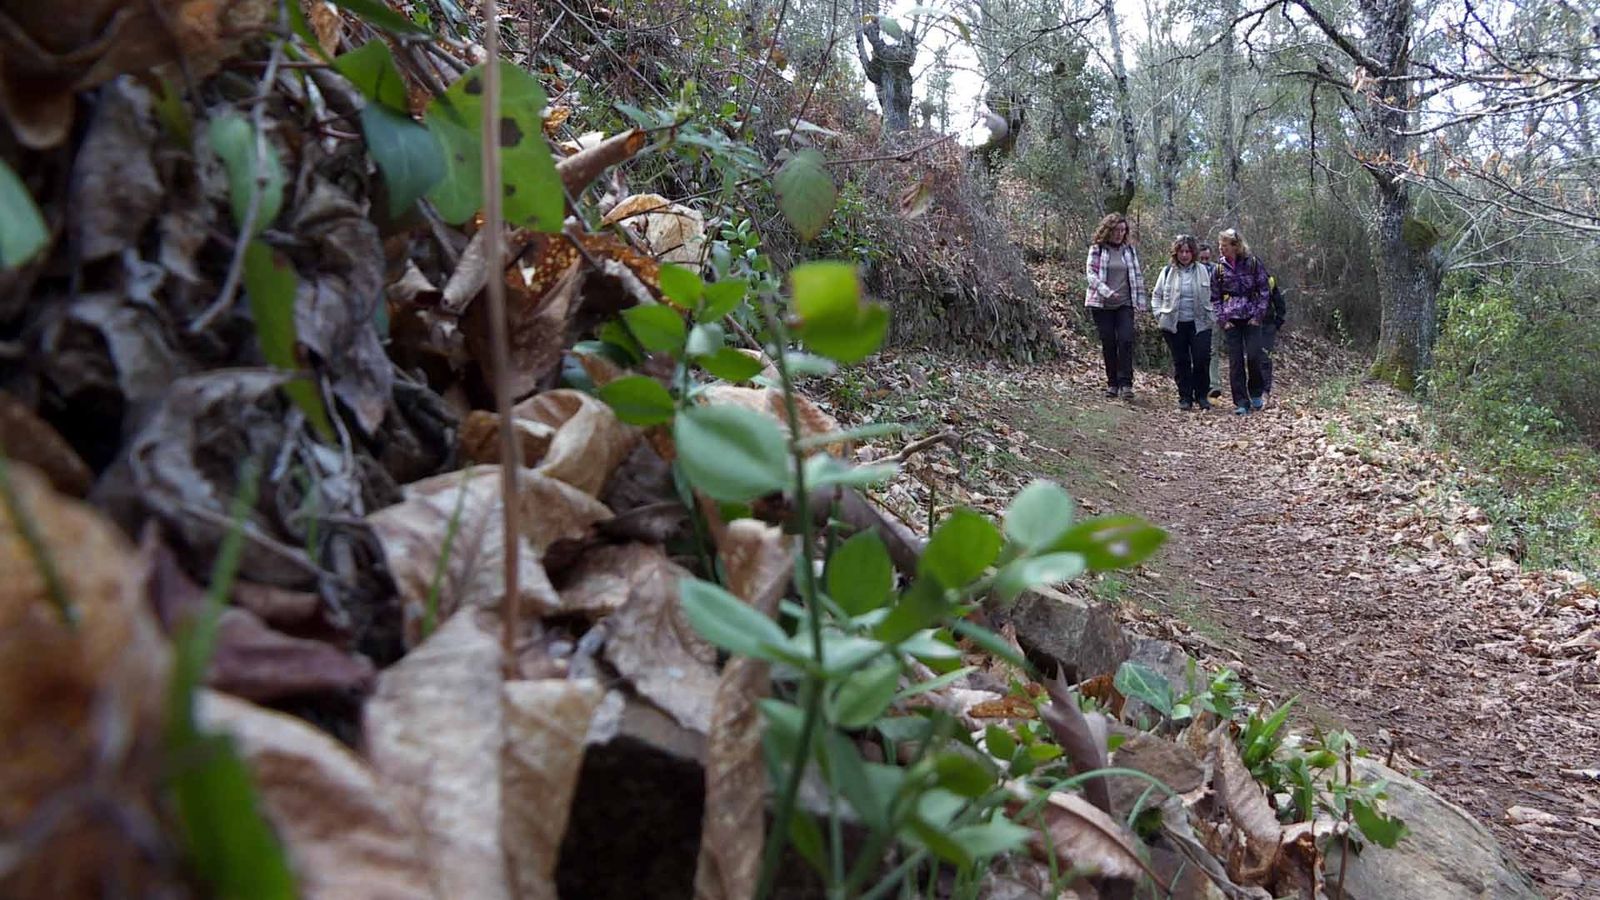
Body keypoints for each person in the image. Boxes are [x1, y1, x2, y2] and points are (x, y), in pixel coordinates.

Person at [1146, 235, 1215, 410]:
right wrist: (1158, 314)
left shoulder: (1205, 271)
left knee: (1201, 359)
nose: (1184, 255)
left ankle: (1201, 395)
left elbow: (1216, 296)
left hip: (1200, 323)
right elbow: (1157, 295)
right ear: (1176, 253)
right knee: (1181, 360)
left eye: (1188, 251)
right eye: (1181, 251)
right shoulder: (1167, 272)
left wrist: (1214, 314)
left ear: (1194, 253)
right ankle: (1185, 397)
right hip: (1174, 323)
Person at [1084, 213, 1146, 399]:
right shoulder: (1097, 249)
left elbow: (1137, 276)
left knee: (1126, 340)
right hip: (1102, 304)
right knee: (1109, 342)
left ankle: (1126, 383)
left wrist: (1141, 302)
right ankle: (1112, 383)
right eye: (1116, 230)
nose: (1119, 234)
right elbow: (1091, 275)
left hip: (1125, 303)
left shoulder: (1129, 251)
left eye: (1123, 231)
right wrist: (1106, 291)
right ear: (1108, 230)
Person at [1210, 228, 1271, 414]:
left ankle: (1256, 393)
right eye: (1220, 246)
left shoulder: (1252, 263)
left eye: (1225, 246)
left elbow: (1264, 290)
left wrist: (1258, 316)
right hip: (1231, 320)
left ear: (1235, 246)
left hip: (1252, 317)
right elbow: (1215, 297)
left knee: (1254, 356)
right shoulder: (1219, 269)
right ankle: (1241, 402)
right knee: (1235, 362)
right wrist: (1223, 320)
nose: (1221, 249)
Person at [1258, 273, 1286, 407]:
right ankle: (1253, 392)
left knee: (1265, 358)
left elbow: (1279, 303)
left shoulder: (1269, 281)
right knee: (1252, 358)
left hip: (1267, 325)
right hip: (1250, 326)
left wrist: (1277, 323)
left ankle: (1265, 391)